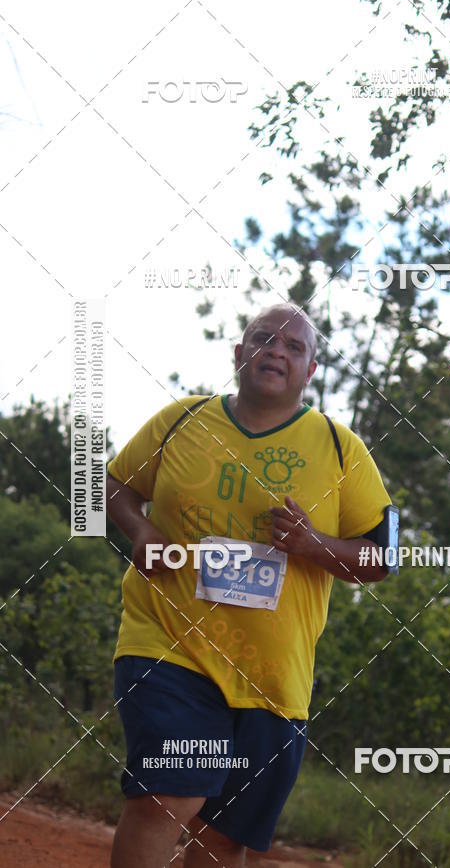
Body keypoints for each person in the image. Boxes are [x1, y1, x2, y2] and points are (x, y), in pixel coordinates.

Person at [107, 303, 392, 868]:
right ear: (240, 353)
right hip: (169, 645)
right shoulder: (181, 421)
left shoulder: (341, 449)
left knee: (224, 840)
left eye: (294, 347)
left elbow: (382, 558)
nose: (276, 352)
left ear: (312, 370)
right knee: (171, 795)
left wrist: (315, 546)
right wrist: (140, 530)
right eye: (264, 339)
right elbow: (112, 483)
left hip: (274, 677)